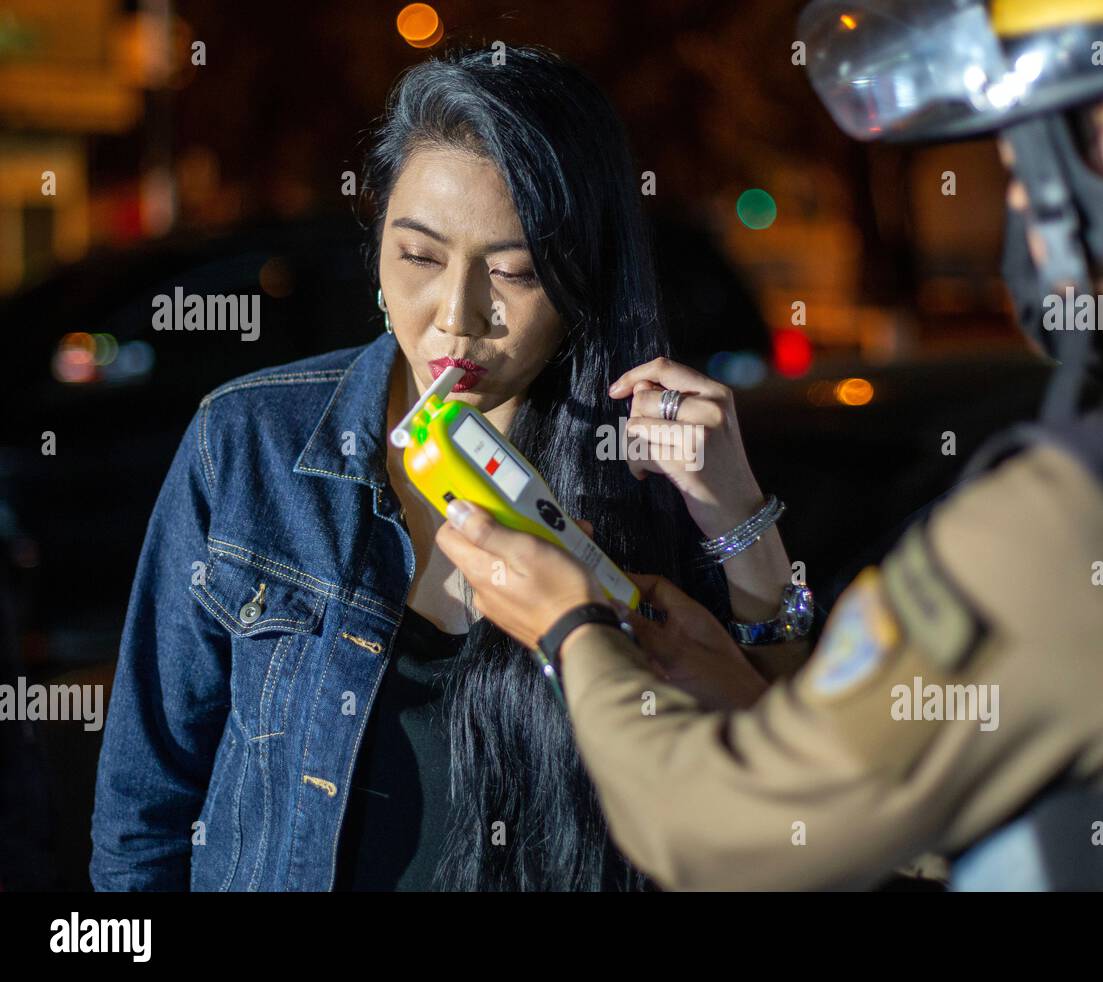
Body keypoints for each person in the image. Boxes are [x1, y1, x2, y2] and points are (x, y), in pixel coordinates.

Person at [436, 0, 1103, 890]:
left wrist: (571, 627)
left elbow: (726, 838)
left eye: (1012, 168)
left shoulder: (1102, 521)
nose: (1016, 215)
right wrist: (759, 699)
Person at [89, 45, 805, 892]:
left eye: (513, 272)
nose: (456, 319)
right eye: (420, 258)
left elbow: (790, 796)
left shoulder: (642, 469)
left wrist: (739, 517)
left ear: (583, 280)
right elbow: (144, 815)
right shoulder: (248, 443)